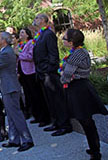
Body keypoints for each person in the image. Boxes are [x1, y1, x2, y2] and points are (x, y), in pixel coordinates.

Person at [60, 29, 108, 160]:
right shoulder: (79, 51)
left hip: (79, 89)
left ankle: (95, 151)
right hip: (80, 87)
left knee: (85, 120)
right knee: (86, 120)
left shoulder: (76, 54)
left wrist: (63, 77)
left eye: (65, 38)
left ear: (71, 42)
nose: (62, 39)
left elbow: (67, 74)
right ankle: (93, 148)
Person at [32, 13, 72, 136]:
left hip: (49, 72)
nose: (35, 19)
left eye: (37, 18)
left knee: (57, 99)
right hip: (42, 72)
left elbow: (53, 55)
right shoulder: (39, 35)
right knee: (50, 99)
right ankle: (56, 122)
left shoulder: (48, 34)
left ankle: (65, 125)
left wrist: (48, 69)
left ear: (44, 21)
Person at [17, 27, 51, 125]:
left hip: (31, 72)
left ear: (27, 34)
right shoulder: (21, 45)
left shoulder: (31, 43)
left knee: (37, 95)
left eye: (22, 32)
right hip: (23, 73)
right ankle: (36, 115)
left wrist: (19, 54)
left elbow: (31, 56)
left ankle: (44, 117)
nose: (20, 34)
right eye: (20, 32)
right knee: (29, 95)